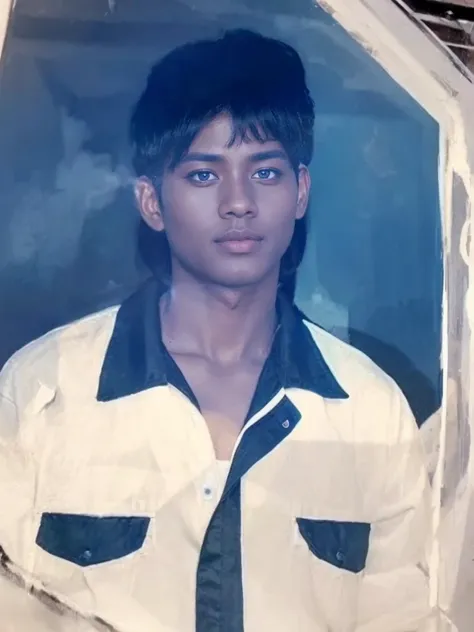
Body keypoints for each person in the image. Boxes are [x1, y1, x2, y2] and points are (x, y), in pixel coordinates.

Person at [0, 29, 439, 632]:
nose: (239, 202)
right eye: (204, 175)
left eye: (265, 173)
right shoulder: (43, 391)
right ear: (152, 202)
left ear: (301, 191)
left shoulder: (371, 411)